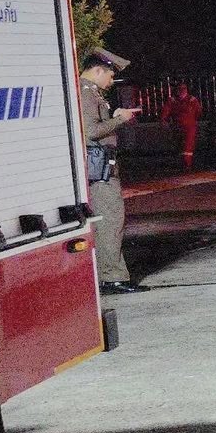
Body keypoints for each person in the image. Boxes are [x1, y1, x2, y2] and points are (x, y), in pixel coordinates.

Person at [79, 48, 144, 294]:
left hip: (106, 167)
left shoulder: (92, 93)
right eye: (109, 76)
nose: (110, 82)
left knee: (112, 220)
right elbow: (91, 131)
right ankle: (111, 278)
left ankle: (114, 275)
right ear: (98, 70)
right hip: (100, 171)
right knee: (109, 221)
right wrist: (120, 119)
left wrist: (114, 116)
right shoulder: (86, 93)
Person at [164, 81, 203, 171]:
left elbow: (198, 112)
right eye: (180, 89)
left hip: (189, 127)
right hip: (177, 127)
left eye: (184, 89)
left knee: (187, 146)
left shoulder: (192, 100)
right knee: (179, 145)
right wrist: (164, 120)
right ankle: (182, 163)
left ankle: (187, 164)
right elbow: (166, 112)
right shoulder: (172, 100)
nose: (182, 91)